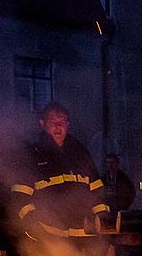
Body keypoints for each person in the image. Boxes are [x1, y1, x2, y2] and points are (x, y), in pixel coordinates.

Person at [11, 102, 108, 243]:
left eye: (62, 121)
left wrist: (102, 217)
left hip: (87, 239)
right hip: (50, 240)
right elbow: (19, 196)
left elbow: (97, 190)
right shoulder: (32, 155)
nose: (58, 126)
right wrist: (34, 226)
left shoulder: (81, 153)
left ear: (68, 124)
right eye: (53, 121)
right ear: (42, 123)